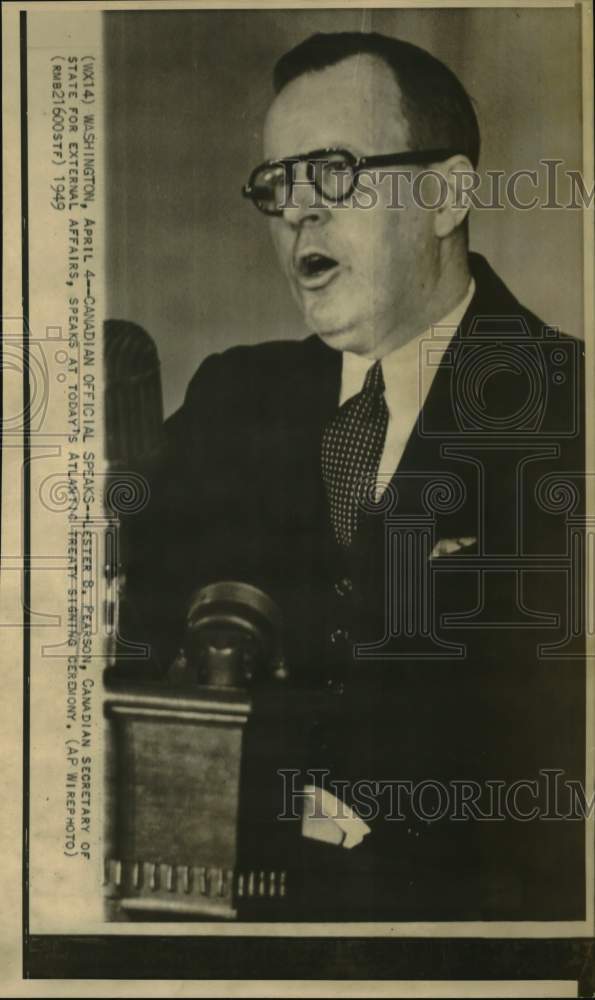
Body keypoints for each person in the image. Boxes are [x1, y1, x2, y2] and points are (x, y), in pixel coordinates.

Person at [125, 32, 586, 921]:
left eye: (332, 173)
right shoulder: (232, 400)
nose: (296, 212)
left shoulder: (571, 411)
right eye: (275, 185)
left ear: (446, 195)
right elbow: (122, 642)